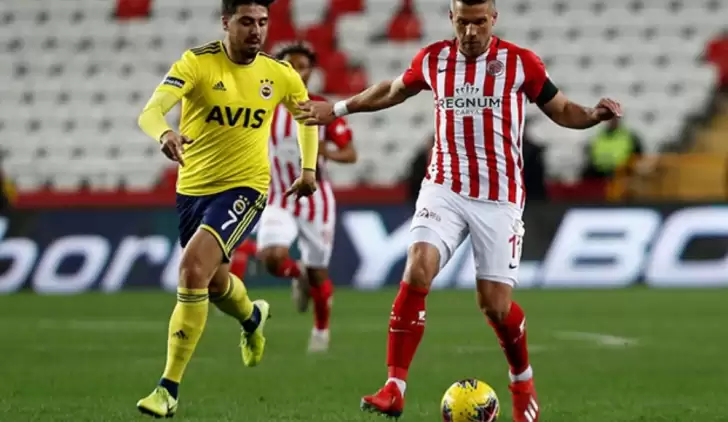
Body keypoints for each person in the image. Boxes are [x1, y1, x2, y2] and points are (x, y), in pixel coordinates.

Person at [296, 0, 621, 420]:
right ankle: (394, 387)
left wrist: (593, 115)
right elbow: (392, 91)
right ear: (451, 18)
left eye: (479, 22)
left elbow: (560, 109)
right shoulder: (433, 59)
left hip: (499, 198)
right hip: (444, 188)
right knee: (417, 268)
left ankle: (522, 380)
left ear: (493, 19)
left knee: (495, 306)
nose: (470, 32)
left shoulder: (520, 63)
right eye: (463, 22)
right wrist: (339, 109)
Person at [135, 0, 319, 417]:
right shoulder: (197, 63)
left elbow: (307, 117)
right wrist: (165, 133)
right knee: (215, 285)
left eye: (263, 22)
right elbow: (150, 112)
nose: (257, 31)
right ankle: (252, 317)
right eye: (246, 22)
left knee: (190, 270)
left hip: (245, 188)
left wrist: (308, 169)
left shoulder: (279, 73)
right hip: (192, 191)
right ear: (226, 22)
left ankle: (167, 389)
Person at [235, 41, 357, 353]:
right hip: (279, 196)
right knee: (272, 257)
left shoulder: (322, 107)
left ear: (311, 71)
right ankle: (296, 273)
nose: (297, 72)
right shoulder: (263, 106)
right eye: (290, 65)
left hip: (317, 200)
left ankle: (321, 331)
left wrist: (324, 151)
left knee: (319, 273)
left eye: (303, 66)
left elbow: (350, 153)